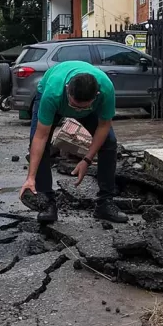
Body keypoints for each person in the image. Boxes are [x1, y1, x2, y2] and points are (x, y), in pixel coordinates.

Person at [18, 60, 127, 225]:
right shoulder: (53, 93)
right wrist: (30, 177)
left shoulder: (106, 90)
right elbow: (40, 137)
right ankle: (47, 201)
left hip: (84, 101)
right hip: (51, 91)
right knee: (40, 142)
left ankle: (105, 203)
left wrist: (87, 159)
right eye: (74, 105)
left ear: (95, 96)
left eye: (83, 108)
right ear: (68, 89)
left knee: (110, 143)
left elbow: (104, 126)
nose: (77, 112)